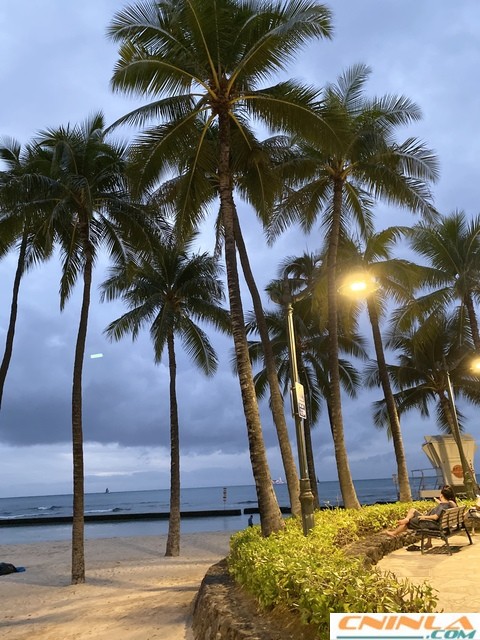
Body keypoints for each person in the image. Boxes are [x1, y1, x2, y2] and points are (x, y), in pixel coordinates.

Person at [386, 485, 457, 547]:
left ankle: (395, 532)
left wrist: (424, 517)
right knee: (413, 510)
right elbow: (443, 507)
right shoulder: (448, 504)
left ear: (441, 496)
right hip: (435, 523)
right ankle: (407, 519)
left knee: (408, 523)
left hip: (431, 524)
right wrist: (439, 502)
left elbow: (435, 517)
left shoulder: (442, 506)